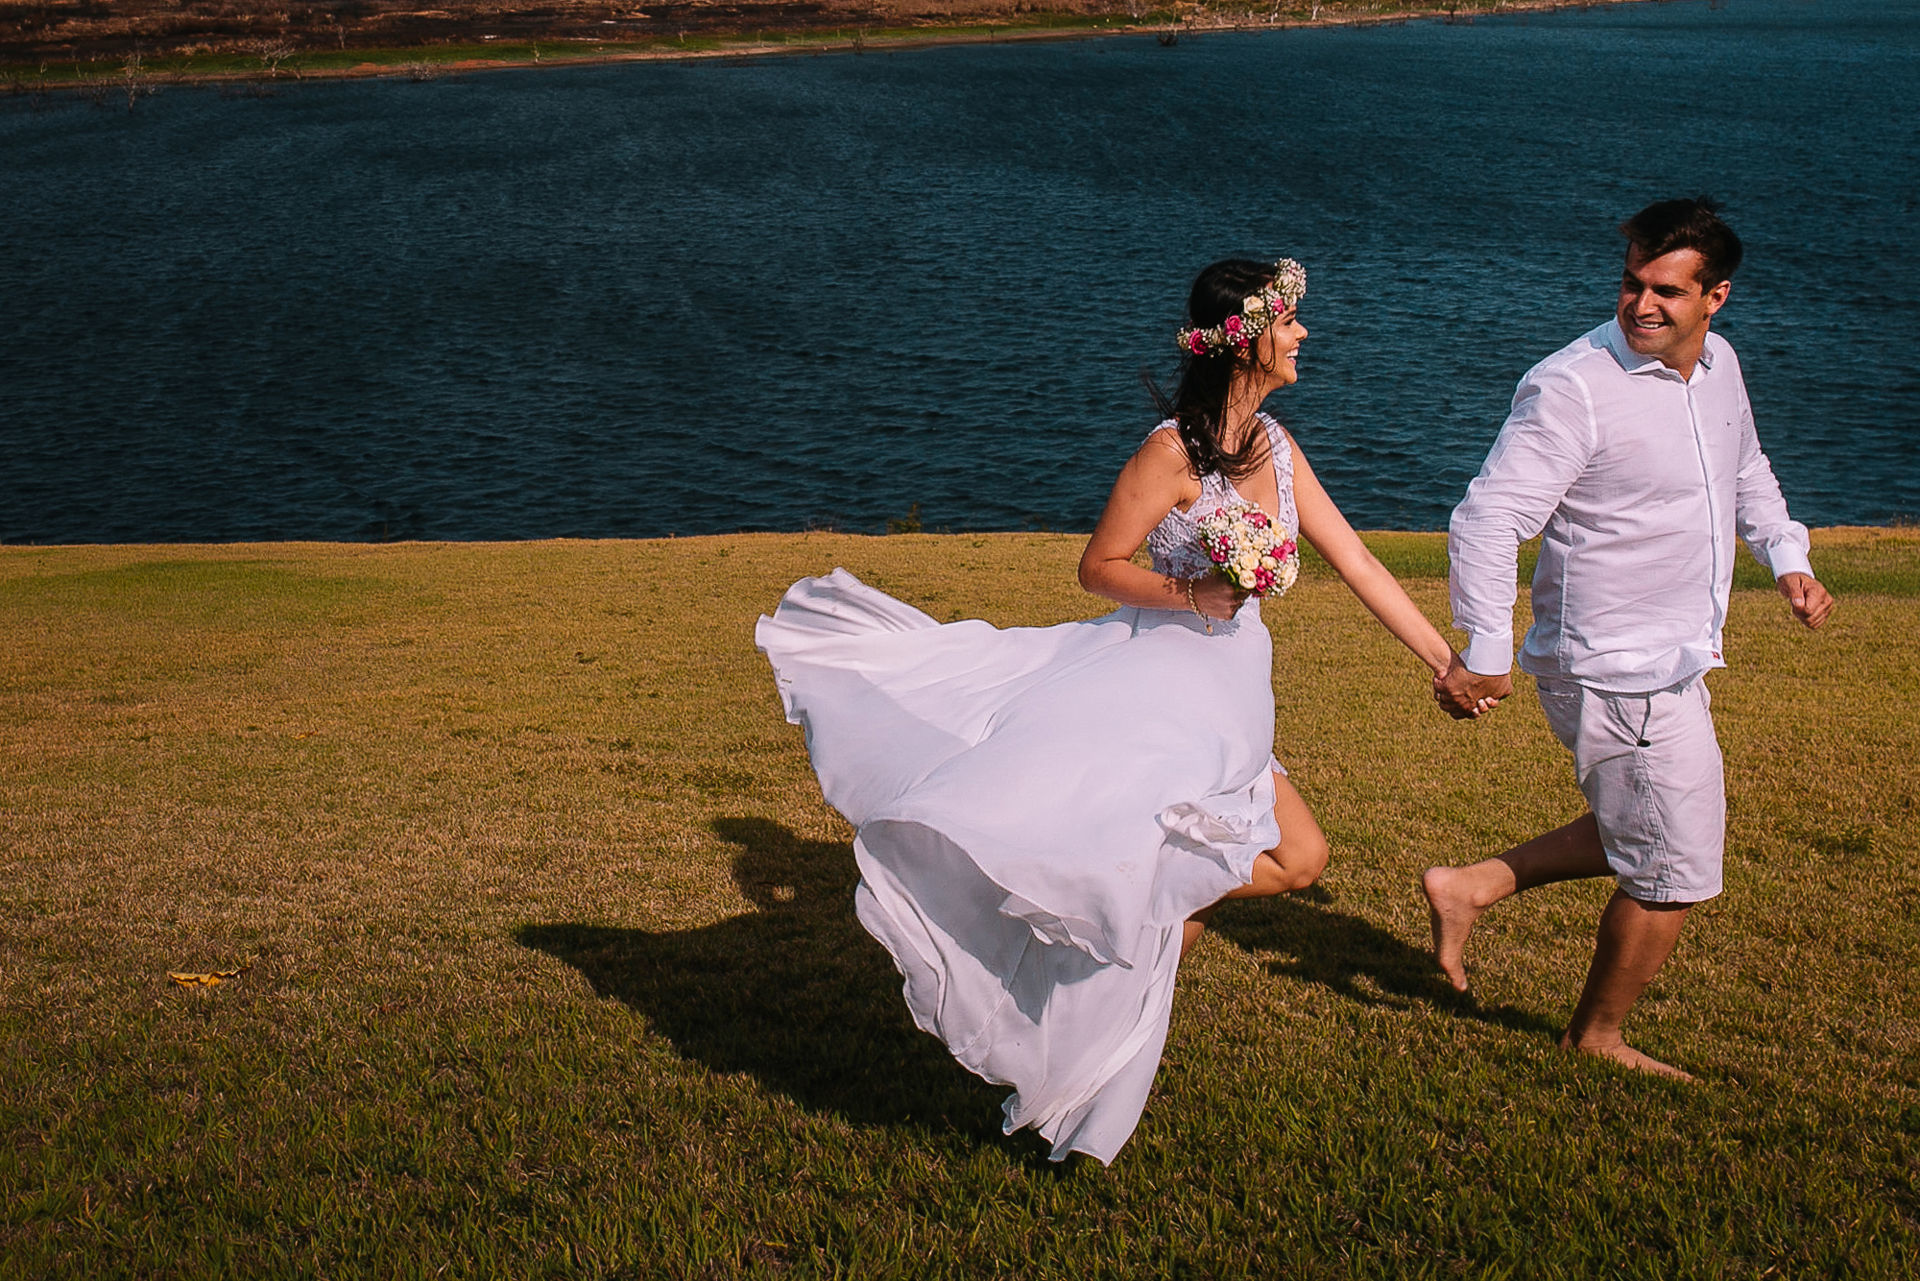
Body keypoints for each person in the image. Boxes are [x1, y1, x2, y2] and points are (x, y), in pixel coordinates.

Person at [757, 257, 1486, 1164]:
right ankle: (1104, 952)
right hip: (1161, 693)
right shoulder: (1170, 453)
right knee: (1278, 855)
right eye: (1288, 321)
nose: (1303, 333)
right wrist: (1194, 592)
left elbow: (1361, 562)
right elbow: (1097, 567)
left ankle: (1127, 937)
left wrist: (1446, 662)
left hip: (1232, 695)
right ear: (1243, 340)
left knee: (1290, 861)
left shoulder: (1276, 446)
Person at [1426, 197, 1835, 1080]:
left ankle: (1471, 885)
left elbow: (1745, 469)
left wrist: (1787, 557)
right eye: (1631, 283)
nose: (1641, 305)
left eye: (1667, 291)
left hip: (1677, 652)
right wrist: (1487, 652)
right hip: (1614, 668)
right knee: (1673, 870)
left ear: (1715, 296)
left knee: (1654, 821)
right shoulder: (1574, 387)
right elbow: (1489, 520)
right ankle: (1596, 1037)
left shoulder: (1720, 366)